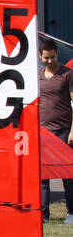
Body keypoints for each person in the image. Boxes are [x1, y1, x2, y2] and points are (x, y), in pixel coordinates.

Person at [37, 38, 73, 221]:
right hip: (43, 131)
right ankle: (44, 215)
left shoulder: (68, 74)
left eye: (52, 57)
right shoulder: (38, 76)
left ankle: (71, 213)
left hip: (65, 130)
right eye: (46, 58)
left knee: (69, 175)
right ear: (40, 56)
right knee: (42, 177)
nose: (50, 61)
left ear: (57, 54)